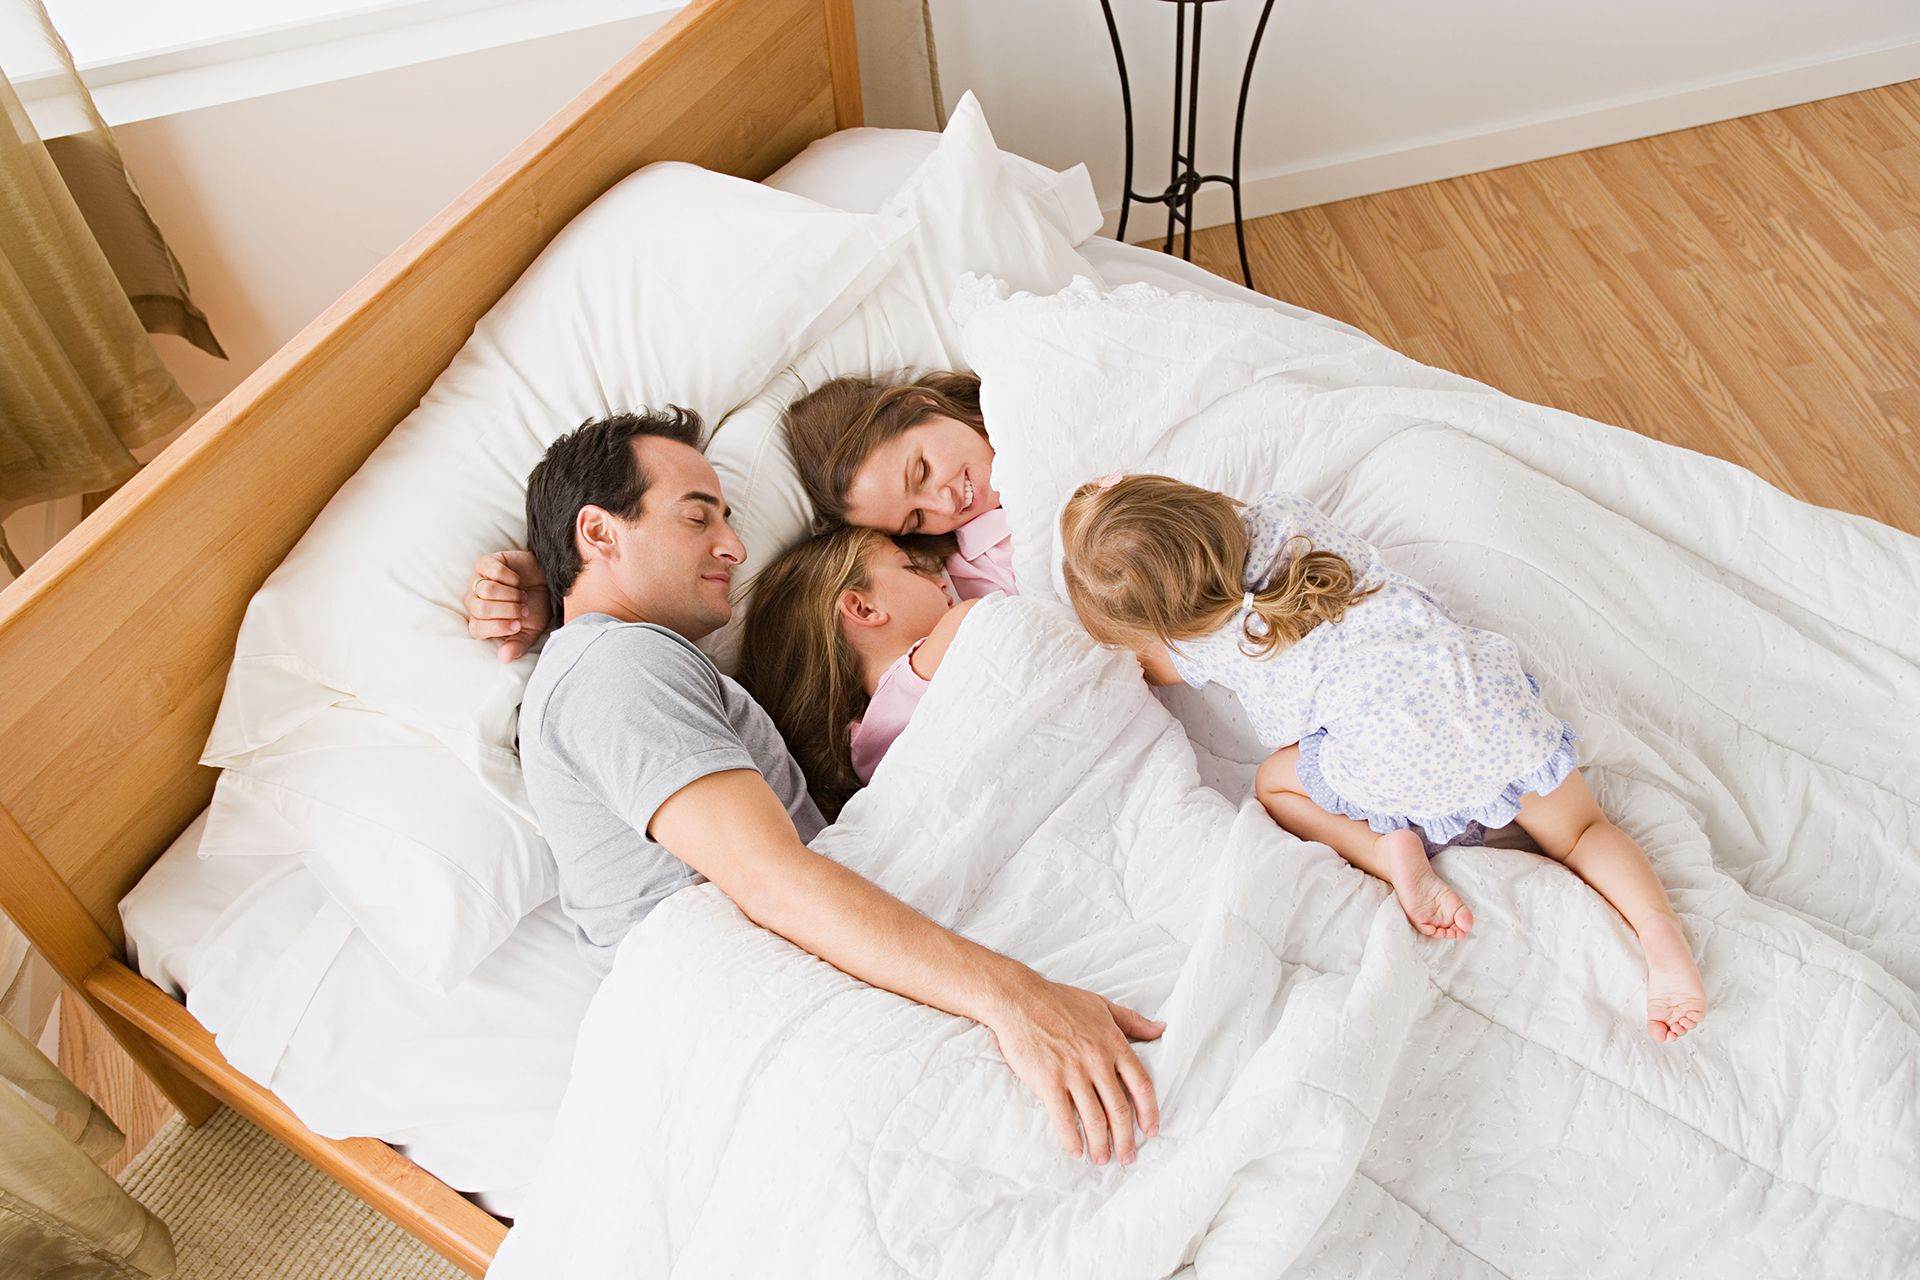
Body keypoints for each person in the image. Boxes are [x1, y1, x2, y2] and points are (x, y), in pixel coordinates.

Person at [513, 409, 1164, 1167]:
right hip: (747, 1015)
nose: (735, 545)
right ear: (598, 534)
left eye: (727, 516)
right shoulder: (611, 667)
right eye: (699, 518)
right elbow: (770, 877)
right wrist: (1015, 998)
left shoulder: (622, 667)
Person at [1059, 474, 1709, 1043]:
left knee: (1278, 783)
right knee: (1586, 833)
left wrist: (1142, 635)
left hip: (1396, 766)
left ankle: (1389, 852)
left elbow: (1238, 704)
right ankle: (1659, 937)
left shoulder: (1209, 650)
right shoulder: (1288, 517)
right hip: (1485, 704)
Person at [462, 371, 1009, 658]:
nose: (944, 505)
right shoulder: (967, 576)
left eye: (919, 472)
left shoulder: (1031, 375)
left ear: (919, 406)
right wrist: (562, 581)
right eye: (913, 520)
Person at [736, 526, 977, 817]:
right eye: (911, 568)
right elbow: (983, 616)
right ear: (863, 609)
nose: (941, 581)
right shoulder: (953, 636)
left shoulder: (861, 748)